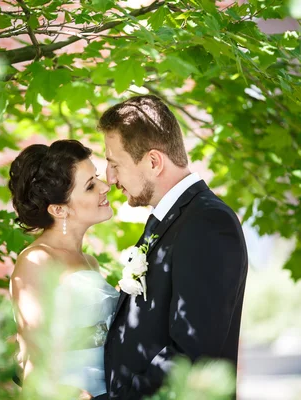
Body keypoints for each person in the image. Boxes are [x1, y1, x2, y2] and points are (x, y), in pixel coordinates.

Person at [98, 95, 248, 399]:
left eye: (115, 163)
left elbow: (191, 354)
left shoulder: (208, 223)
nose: (110, 178)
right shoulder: (173, 218)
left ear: (153, 162)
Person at [7, 140, 119, 399]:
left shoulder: (90, 262)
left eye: (98, 178)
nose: (105, 187)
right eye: (90, 186)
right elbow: (32, 357)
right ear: (59, 209)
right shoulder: (37, 261)